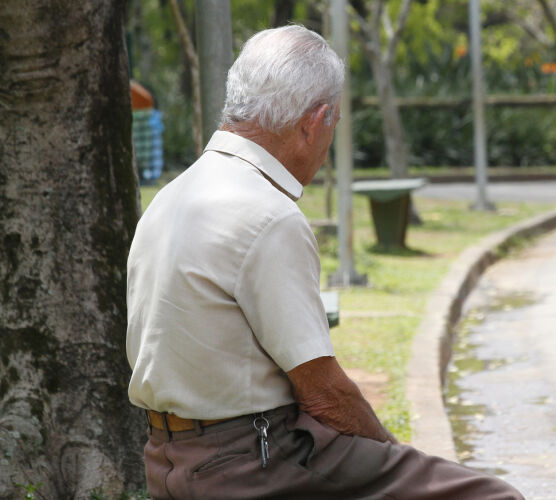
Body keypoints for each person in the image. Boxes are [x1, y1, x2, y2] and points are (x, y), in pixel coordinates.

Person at [126, 26, 523, 500]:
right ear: (314, 122)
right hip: (253, 461)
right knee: (491, 497)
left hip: (165, 458)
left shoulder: (172, 196)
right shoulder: (268, 215)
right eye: (332, 127)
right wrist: (390, 453)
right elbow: (323, 394)